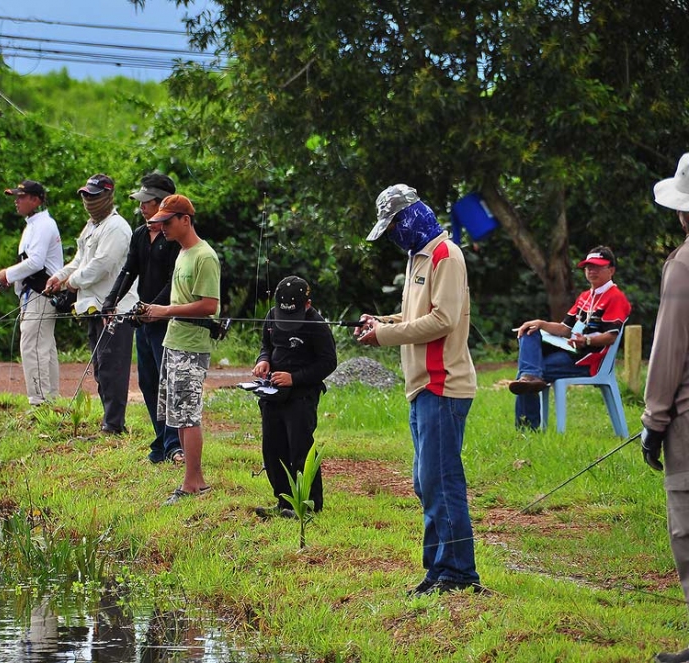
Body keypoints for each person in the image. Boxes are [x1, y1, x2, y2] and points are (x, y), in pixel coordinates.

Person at [356, 184, 482, 596]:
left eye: (393, 225)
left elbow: (443, 319)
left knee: (441, 480)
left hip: (443, 384)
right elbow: (416, 313)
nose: (392, 234)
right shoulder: (418, 258)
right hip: (420, 387)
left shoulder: (447, 255)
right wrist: (382, 320)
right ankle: (438, 570)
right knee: (425, 481)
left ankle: (459, 574)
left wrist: (385, 337)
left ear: (412, 216)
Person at [139, 194, 220, 505]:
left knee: (188, 415)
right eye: (159, 223)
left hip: (192, 345)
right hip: (174, 342)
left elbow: (209, 306)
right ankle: (193, 479)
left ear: (185, 220)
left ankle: (191, 483)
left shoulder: (204, 256)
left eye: (167, 222)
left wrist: (164, 311)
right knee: (177, 413)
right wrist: (153, 311)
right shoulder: (182, 254)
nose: (162, 228)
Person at [640, 152, 689, 663]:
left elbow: (668, 351)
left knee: (688, 527)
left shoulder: (683, 266)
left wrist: (653, 423)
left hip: (688, 423)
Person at [46, 173, 137, 434]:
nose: (88, 200)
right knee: (100, 367)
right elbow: (80, 260)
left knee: (113, 368)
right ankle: (109, 421)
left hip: (116, 309)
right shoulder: (91, 226)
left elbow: (102, 265)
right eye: (85, 195)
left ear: (108, 196)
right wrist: (60, 277)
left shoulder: (117, 227)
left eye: (94, 195)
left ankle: (114, 425)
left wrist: (72, 283)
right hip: (92, 306)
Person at [103, 172, 183, 464]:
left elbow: (175, 280)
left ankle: (175, 443)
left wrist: (153, 307)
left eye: (147, 203)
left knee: (168, 381)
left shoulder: (175, 236)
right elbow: (128, 271)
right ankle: (161, 439)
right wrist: (111, 300)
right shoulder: (140, 234)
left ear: (163, 204)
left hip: (168, 320)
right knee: (148, 382)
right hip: (143, 320)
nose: (142, 208)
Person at [508, 246, 632, 430]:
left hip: (587, 361)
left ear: (611, 270)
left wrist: (587, 341)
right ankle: (530, 379)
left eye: (598, 267)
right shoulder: (584, 296)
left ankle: (526, 429)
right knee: (529, 333)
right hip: (569, 351)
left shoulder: (616, 297)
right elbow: (565, 329)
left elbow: (610, 337)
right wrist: (540, 323)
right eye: (588, 267)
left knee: (529, 375)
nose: (591, 271)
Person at [251, 275, 337, 519]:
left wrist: (295, 378)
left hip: (302, 395)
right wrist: (263, 361)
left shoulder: (317, 324)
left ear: (307, 305)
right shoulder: (272, 316)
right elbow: (266, 345)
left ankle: (308, 504)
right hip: (273, 394)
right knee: (272, 448)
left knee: (299, 449)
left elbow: (329, 362)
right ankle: (283, 500)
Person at [0, 179, 65, 406]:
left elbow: (35, 262)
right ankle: (49, 399)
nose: (17, 201)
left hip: (42, 293)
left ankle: (40, 402)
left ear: (35, 200)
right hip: (33, 294)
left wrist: (7, 274)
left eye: (21, 197)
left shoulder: (44, 224)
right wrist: (11, 280)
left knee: (33, 347)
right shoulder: (33, 224)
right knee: (43, 346)